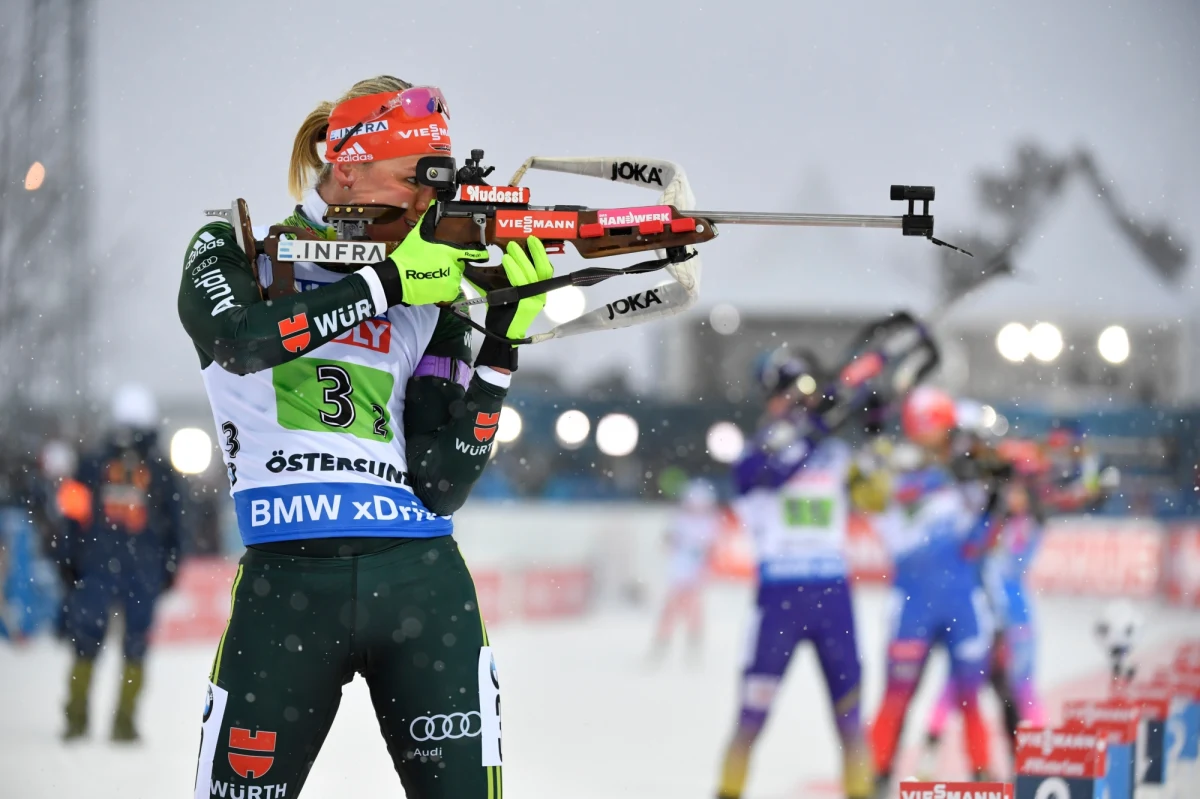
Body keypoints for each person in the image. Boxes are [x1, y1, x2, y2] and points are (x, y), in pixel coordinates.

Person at [177, 76, 553, 799]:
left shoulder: (430, 292)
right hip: (288, 589)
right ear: (345, 164)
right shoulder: (233, 249)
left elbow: (442, 484)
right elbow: (242, 340)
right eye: (417, 177)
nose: (427, 201)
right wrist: (384, 284)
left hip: (421, 582)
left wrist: (501, 347)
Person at [715, 348, 885, 799]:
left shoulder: (834, 452)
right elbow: (762, 476)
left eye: (802, 394)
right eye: (784, 394)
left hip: (832, 598)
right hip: (778, 601)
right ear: (768, 399)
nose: (794, 403)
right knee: (751, 717)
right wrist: (810, 434)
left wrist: (873, 429)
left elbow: (877, 498)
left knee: (850, 718)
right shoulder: (756, 451)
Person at [870, 387, 1001, 791]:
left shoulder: (970, 469)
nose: (945, 438)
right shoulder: (895, 468)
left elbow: (982, 539)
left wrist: (990, 494)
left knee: (971, 699)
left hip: (960, 599)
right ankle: (875, 778)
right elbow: (885, 520)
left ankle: (981, 776)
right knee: (895, 697)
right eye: (941, 428)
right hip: (913, 601)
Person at [55, 384, 183, 741]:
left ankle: (76, 720)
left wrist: (68, 558)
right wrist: (170, 566)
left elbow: (71, 515)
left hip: (95, 565)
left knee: (86, 643)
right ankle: (124, 724)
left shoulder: (92, 463)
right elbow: (176, 522)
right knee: (136, 645)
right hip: (142, 570)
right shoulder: (160, 469)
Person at [648, 477, 721, 663]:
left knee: (693, 610)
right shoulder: (679, 519)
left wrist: (701, 561)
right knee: (671, 609)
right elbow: (668, 541)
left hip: (695, 571)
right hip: (679, 570)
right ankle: (661, 645)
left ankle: (693, 649)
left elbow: (711, 548)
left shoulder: (710, 522)